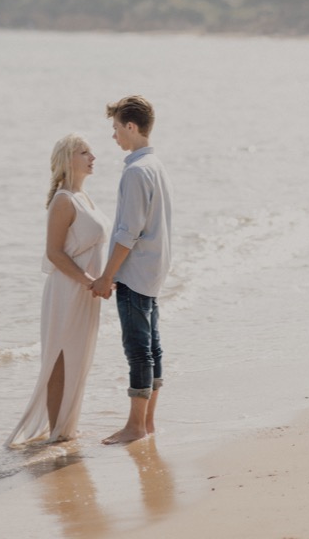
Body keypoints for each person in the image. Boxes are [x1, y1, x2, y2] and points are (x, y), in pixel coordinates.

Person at [6, 134, 110, 446]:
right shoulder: (63, 200)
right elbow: (54, 253)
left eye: (91, 151)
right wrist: (87, 280)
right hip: (68, 290)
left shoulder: (84, 197)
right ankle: (56, 433)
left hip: (87, 290)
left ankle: (66, 429)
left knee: (79, 357)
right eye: (84, 152)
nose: (93, 157)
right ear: (68, 161)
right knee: (60, 360)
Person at [91, 95, 172, 445]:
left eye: (115, 129)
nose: (113, 137)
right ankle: (147, 423)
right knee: (151, 348)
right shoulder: (155, 165)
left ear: (130, 126)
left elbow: (129, 232)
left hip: (136, 272)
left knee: (138, 349)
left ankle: (136, 426)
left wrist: (107, 276)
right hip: (153, 269)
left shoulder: (137, 171)